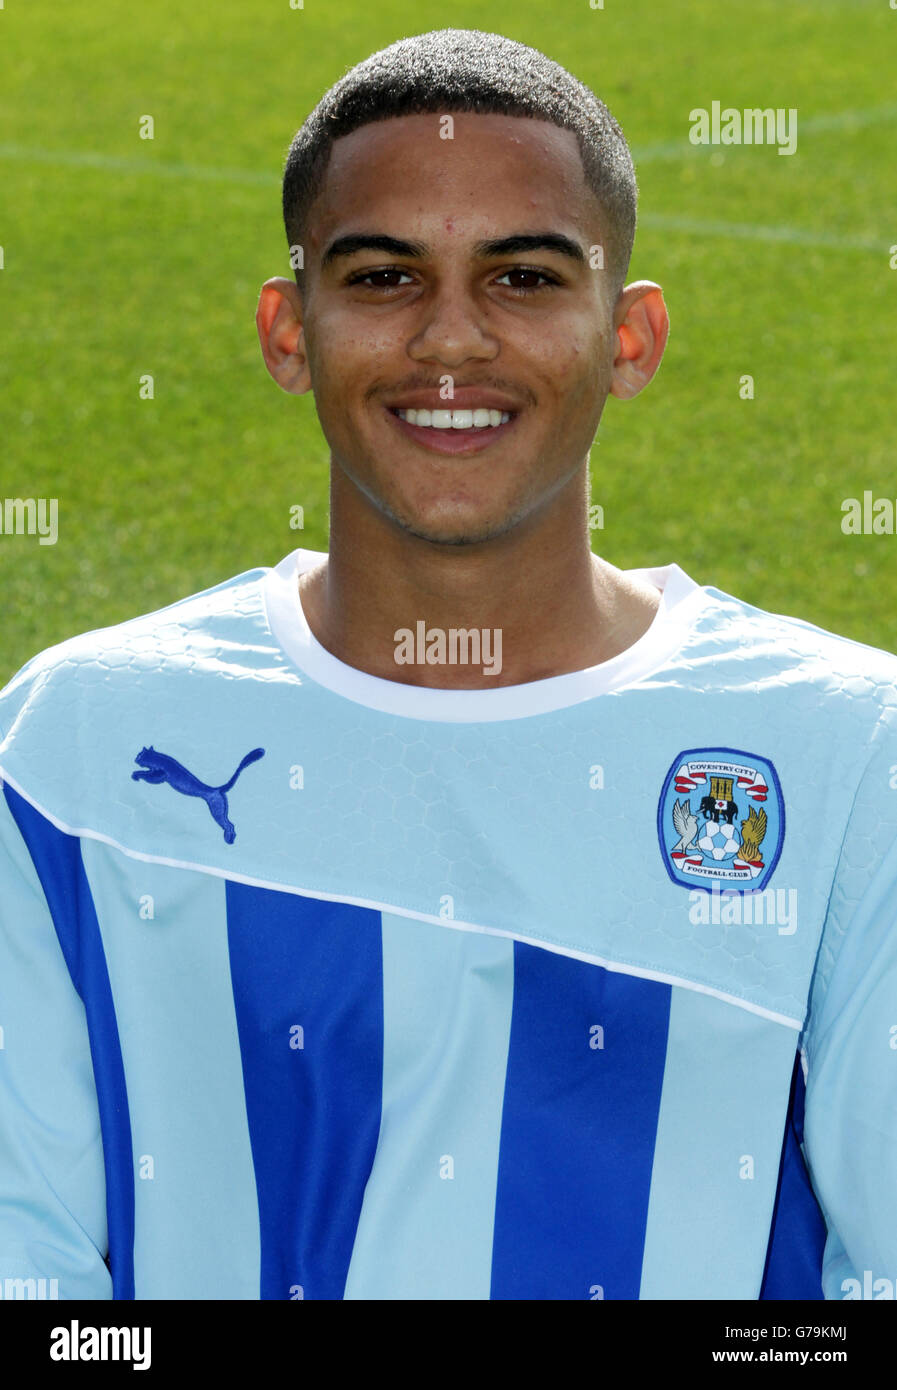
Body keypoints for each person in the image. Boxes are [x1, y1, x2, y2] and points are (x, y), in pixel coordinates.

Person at [1, 27, 895, 1303]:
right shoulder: (70, 752)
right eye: (382, 277)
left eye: (524, 278)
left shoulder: (847, 751)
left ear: (629, 339)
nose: (450, 343)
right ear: (288, 329)